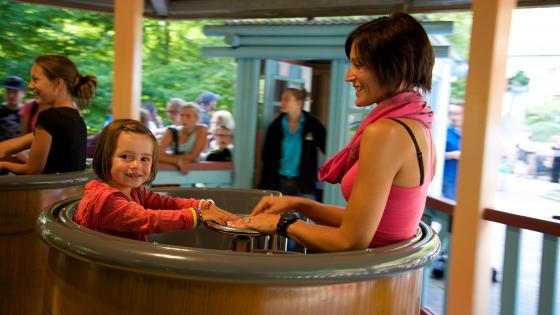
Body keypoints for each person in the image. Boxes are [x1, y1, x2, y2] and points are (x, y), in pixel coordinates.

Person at [231, 13, 436, 253]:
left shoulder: (386, 132)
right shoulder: (419, 126)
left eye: (359, 64)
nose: (349, 76)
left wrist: (280, 223)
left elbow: (351, 241)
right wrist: (299, 204)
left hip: (365, 278)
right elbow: (375, 225)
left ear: (395, 65)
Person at [74, 119, 238, 241]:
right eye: (125, 157)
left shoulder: (134, 190)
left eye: (145, 159)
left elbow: (166, 203)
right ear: (106, 157)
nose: (136, 165)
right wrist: (198, 215)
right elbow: (147, 220)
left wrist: (200, 205)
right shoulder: (105, 199)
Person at [0, 55, 97, 174]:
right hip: (68, 191)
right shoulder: (76, 119)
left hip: (47, 191)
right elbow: (13, 145)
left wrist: (4, 164)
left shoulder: (49, 118)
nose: (30, 85)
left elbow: (33, 170)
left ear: (58, 83)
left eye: (35, 79)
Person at [258, 87, 326, 200]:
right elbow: (266, 157)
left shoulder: (313, 125)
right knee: (277, 217)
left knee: (306, 217)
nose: (282, 102)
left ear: (299, 103)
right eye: (282, 99)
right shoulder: (275, 126)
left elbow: (328, 148)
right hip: (278, 182)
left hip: (305, 183)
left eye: (287, 99)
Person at [158, 102, 207, 174]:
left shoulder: (202, 129)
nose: (184, 119)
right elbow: (156, 155)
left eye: (188, 116)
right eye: (182, 115)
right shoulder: (171, 131)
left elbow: (193, 156)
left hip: (193, 172)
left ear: (196, 117)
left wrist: (167, 158)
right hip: (172, 172)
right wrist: (178, 162)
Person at [442, 103, 463, 200]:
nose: (453, 117)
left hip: (466, 179)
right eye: (451, 113)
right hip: (449, 179)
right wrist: (452, 155)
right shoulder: (443, 131)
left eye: (457, 114)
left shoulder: (472, 132)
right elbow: (432, 155)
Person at [0, 76, 27, 141]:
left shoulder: (28, 111)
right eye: (8, 91)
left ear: (23, 93)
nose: (11, 95)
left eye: (15, 92)